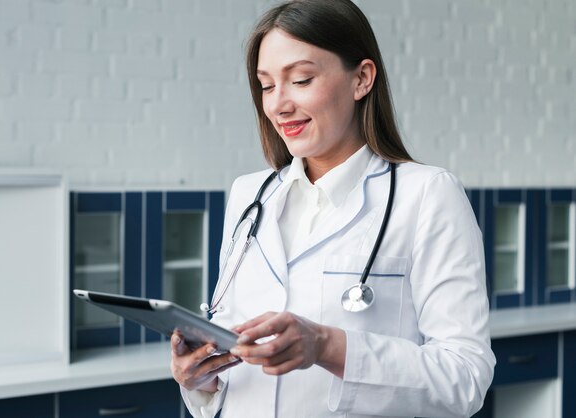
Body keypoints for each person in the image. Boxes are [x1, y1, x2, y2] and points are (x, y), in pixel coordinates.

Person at [171, 0, 495, 417]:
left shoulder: (428, 195)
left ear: (361, 78)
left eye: (301, 80)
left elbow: (464, 379)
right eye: (267, 85)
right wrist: (202, 379)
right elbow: (234, 370)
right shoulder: (248, 196)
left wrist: (328, 346)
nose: (277, 105)